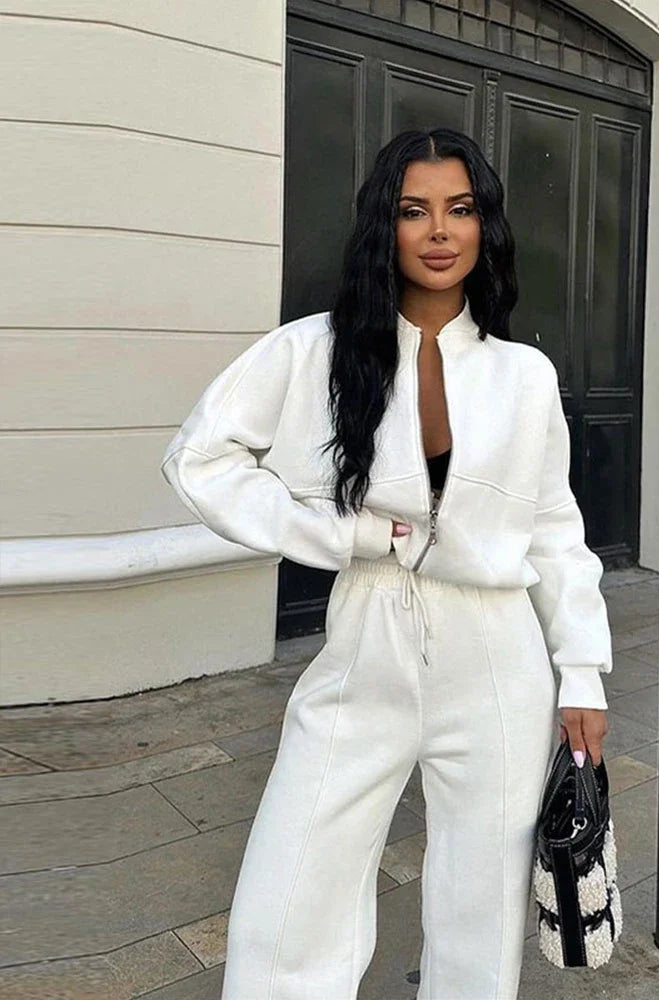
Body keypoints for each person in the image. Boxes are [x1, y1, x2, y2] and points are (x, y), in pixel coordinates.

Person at [160, 127, 612, 1000]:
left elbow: (555, 526)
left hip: (498, 655)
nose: (439, 231)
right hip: (366, 636)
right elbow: (199, 461)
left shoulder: (523, 374)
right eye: (415, 211)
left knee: (482, 903)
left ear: (484, 226)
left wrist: (583, 671)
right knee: (292, 888)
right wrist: (343, 536)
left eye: (460, 209)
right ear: (385, 226)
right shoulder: (314, 350)